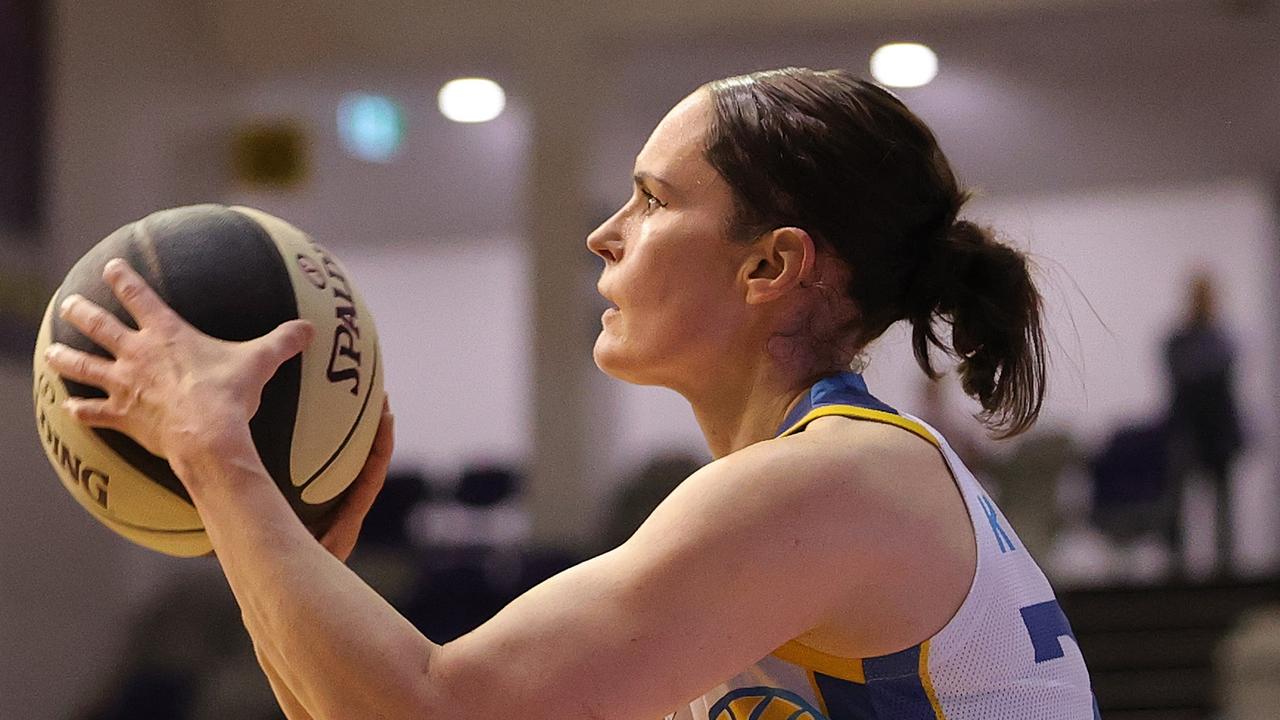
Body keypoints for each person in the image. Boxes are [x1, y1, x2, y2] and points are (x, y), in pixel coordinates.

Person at [43, 67, 1096, 719]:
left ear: (769, 267)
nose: (603, 234)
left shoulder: (830, 484)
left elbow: (433, 714)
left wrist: (217, 453)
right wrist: (280, 569)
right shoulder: (814, 488)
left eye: (650, 200)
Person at [1163, 271, 1244, 576]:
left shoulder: (1220, 340)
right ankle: (1178, 566)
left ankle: (1225, 566)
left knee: (1222, 505)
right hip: (1189, 431)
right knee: (1178, 505)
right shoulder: (1183, 341)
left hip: (1216, 433)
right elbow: (1188, 377)